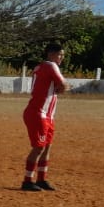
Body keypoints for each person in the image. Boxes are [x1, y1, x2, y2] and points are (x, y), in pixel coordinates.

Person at [22, 43, 66, 191]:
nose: (62, 58)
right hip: (39, 113)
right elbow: (63, 84)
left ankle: (41, 179)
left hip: (47, 115)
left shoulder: (40, 67)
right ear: (51, 54)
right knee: (38, 148)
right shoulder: (50, 65)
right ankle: (27, 181)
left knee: (47, 147)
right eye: (60, 54)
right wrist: (62, 88)